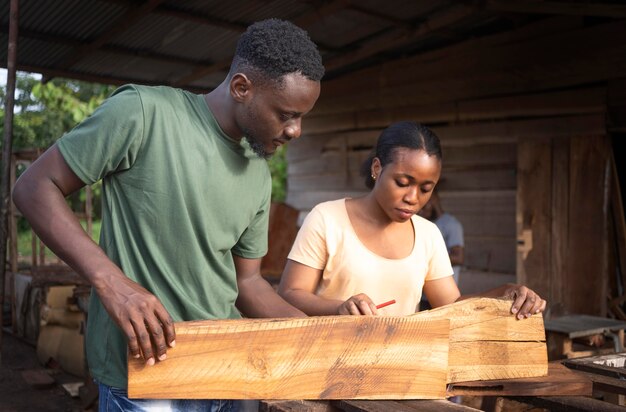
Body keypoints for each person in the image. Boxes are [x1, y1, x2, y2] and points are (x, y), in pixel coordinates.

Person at [12, 18, 323, 412]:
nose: (296, 130)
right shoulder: (144, 113)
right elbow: (33, 188)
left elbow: (249, 283)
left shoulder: (258, 172)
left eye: (302, 117)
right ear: (242, 87)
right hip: (146, 375)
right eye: (286, 114)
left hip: (222, 373)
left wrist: (318, 335)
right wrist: (112, 283)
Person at [278, 121, 546, 318]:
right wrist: (338, 307)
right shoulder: (327, 218)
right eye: (402, 183)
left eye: (426, 189)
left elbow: (451, 305)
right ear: (376, 168)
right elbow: (290, 294)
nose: (413, 197)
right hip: (331, 368)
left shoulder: (428, 235)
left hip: (403, 371)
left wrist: (505, 291)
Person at [418, 188, 464, 284]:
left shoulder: (451, 224)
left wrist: (425, 258)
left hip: (443, 290)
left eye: (426, 203)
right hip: (423, 292)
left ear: (434, 199)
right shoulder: (425, 223)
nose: (421, 211)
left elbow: (458, 257)